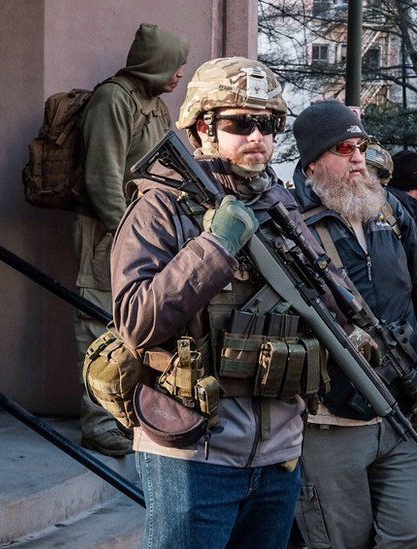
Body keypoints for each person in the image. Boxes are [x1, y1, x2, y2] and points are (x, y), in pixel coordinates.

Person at [111, 57, 317, 548]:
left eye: (267, 124)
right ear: (203, 126)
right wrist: (215, 248)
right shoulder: (160, 205)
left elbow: (324, 300)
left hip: (278, 453)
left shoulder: (281, 205)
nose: (257, 137)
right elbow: (136, 319)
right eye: (240, 123)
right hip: (192, 450)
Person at [290, 100, 417, 549]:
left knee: (414, 535)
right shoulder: (288, 226)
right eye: (344, 147)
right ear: (312, 163)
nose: (358, 158)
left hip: (401, 412)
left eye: (361, 145)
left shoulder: (390, 214)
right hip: (330, 422)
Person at [74, 23, 188, 457]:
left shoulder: (154, 104)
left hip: (146, 232)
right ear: (153, 63)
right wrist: (129, 237)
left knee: (139, 325)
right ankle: (98, 422)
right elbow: (102, 178)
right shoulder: (113, 100)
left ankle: (128, 413)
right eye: (174, 65)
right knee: (97, 319)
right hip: (109, 230)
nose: (179, 74)